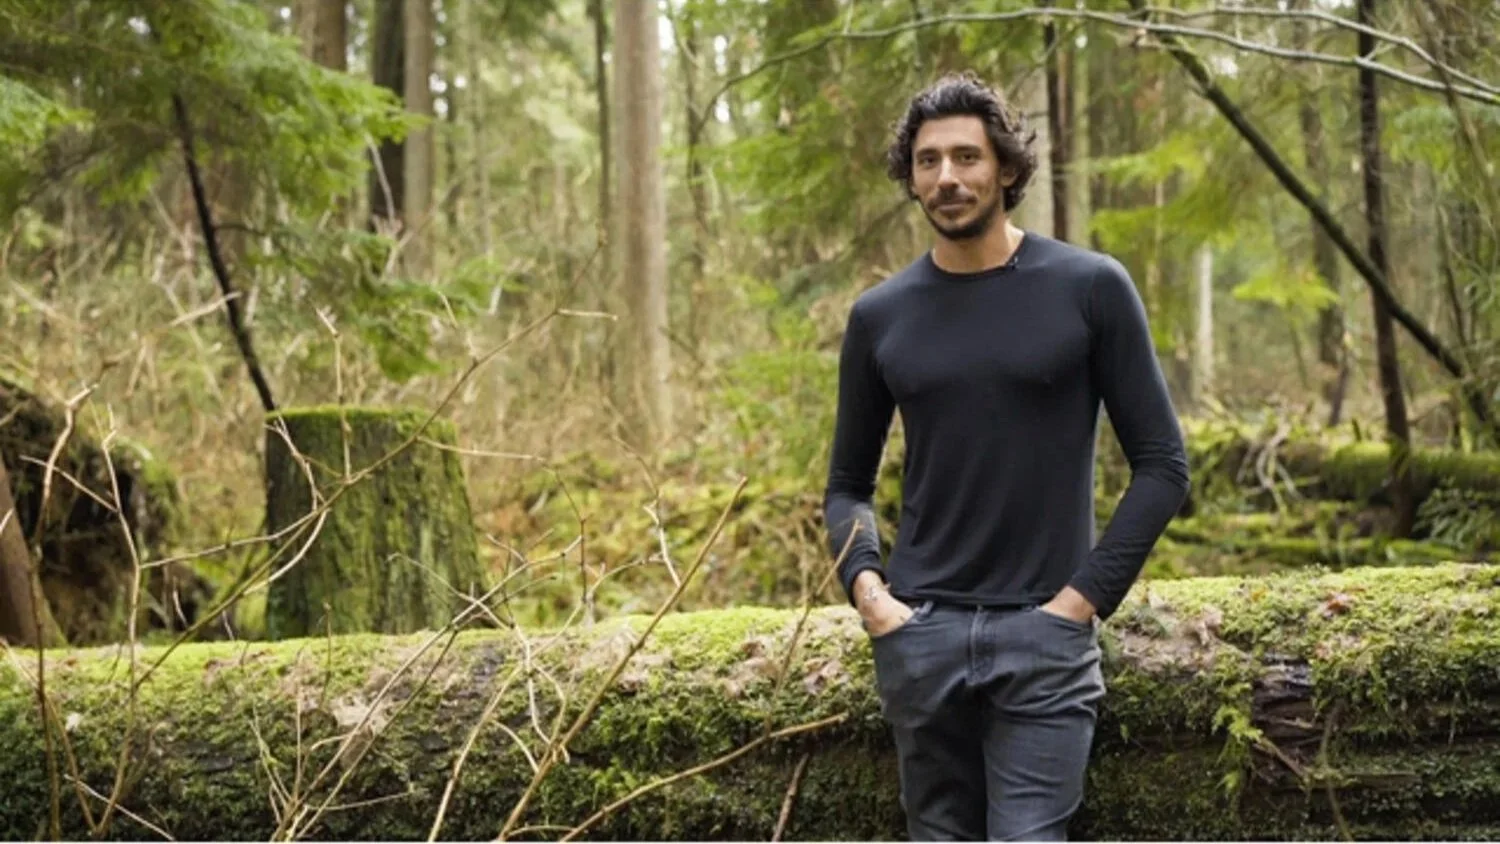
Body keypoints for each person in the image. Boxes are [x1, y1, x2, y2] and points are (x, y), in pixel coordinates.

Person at [822, 72, 1191, 841]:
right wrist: (872, 597)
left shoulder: (1089, 288)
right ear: (911, 177)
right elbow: (847, 485)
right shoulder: (880, 315)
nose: (948, 178)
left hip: (1043, 636)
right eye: (928, 162)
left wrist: (1079, 603)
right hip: (919, 636)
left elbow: (1162, 465)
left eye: (967, 157)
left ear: (1009, 169)